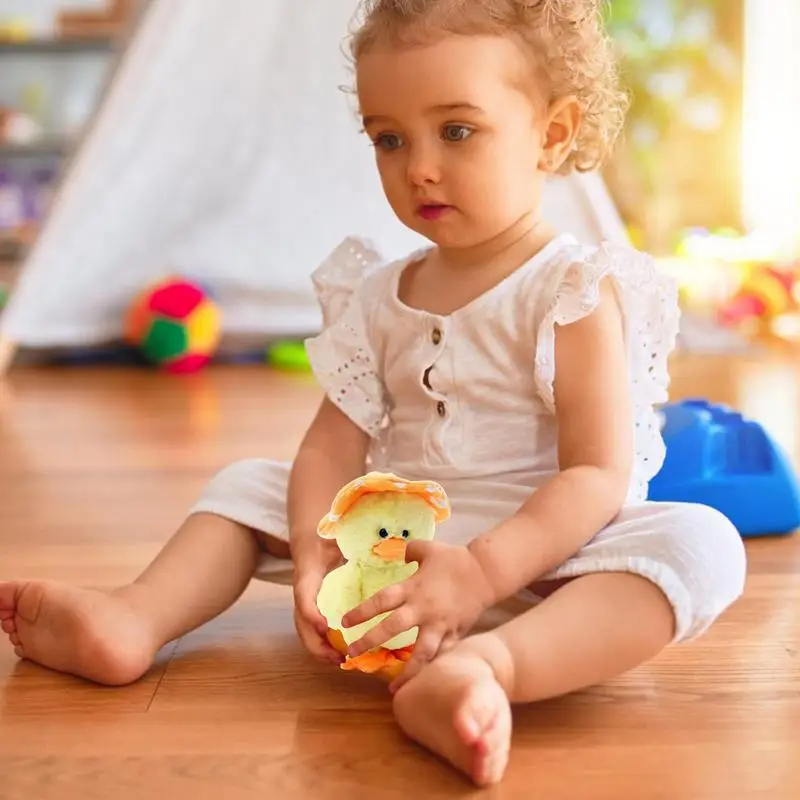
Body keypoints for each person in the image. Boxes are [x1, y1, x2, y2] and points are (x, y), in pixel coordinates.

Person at [0, 0, 747, 787]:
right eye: (389, 138)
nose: (417, 166)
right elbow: (333, 438)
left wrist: (484, 573)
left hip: (544, 560)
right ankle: (136, 618)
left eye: (456, 131)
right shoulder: (382, 292)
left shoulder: (572, 289)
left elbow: (595, 476)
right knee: (246, 484)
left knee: (700, 543)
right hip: (400, 542)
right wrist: (317, 543)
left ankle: (486, 666)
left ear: (552, 136)